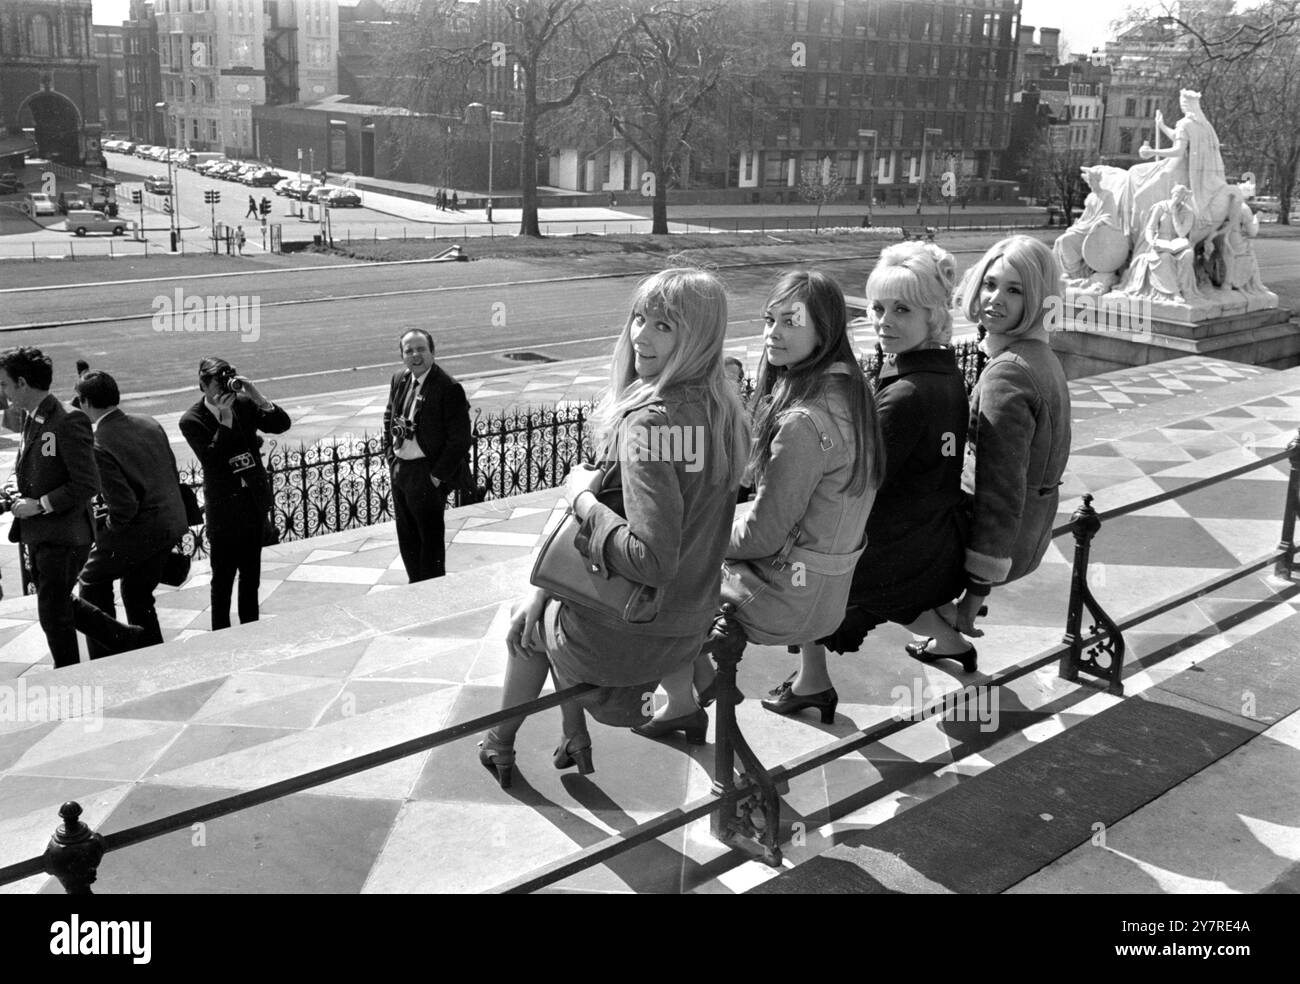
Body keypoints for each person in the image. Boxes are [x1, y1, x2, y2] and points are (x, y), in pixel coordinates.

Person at [479, 268, 749, 786]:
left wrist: (579, 497)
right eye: (638, 319)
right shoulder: (722, 411)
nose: (640, 336)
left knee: (528, 626)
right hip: (686, 634)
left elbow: (652, 557)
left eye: (664, 326)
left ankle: (503, 742)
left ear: (696, 337)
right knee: (541, 605)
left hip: (629, 641)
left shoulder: (649, 420)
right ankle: (568, 737)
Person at [636, 270, 883, 737]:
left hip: (786, 599)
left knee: (667, 576)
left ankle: (688, 700)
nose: (773, 333)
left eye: (791, 322)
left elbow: (763, 537)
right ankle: (798, 681)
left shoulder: (802, 423)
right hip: (829, 590)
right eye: (770, 320)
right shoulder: (852, 395)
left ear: (825, 331)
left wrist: (697, 535)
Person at [808, 243, 973, 682]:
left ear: (932, 316)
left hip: (894, 548)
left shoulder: (905, 394)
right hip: (930, 538)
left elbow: (855, 480)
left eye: (902, 309)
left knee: (802, 560)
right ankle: (951, 642)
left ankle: (811, 682)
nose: (884, 321)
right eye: (878, 308)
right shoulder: (943, 375)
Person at [945, 235, 1071, 646]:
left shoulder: (1008, 372)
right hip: (1031, 531)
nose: (994, 299)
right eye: (990, 284)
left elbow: (1000, 485)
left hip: (994, 540)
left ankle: (947, 634)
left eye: (1014, 290)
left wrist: (975, 589)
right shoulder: (1042, 358)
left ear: (1036, 300)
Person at [0, 347, 141, 668]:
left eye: (5, 384)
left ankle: (67, 676)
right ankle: (124, 637)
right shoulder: (31, 419)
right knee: (58, 603)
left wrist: (40, 505)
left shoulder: (68, 419)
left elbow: (87, 483)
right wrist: (14, 489)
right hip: (42, 534)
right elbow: (29, 467)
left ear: (22, 383)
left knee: (52, 615)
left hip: (64, 536)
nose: (3, 392)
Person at [74, 371, 189, 659]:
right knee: (137, 593)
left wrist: (107, 534)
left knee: (90, 582)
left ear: (86, 402)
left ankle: (109, 655)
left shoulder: (97, 443)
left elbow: (123, 507)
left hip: (140, 530)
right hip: (171, 521)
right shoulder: (149, 422)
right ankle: (150, 652)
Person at [179, 358, 291, 630]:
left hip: (252, 502)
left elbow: (281, 424)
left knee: (251, 576)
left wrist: (256, 395)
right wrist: (226, 420)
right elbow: (212, 460)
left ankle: (250, 629)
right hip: (224, 509)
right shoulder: (192, 420)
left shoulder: (243, 403)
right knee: (223, 579)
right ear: (203, 385)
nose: (223, 392)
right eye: (217, 385)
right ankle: (221, 633)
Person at [382, 329, 472, 583]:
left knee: (429, 543)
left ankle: (431, 595)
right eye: (408, 350)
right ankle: (415, 587)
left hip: (426, 473)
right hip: (401, 470)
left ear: (433, 351)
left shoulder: (448, 387)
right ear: (402, 355)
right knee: (407, 538)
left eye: (421, 349)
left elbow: (460, 439)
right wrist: (391, 458)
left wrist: (435, 477)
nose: (415, 355)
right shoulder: (399, 378)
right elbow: (389, 417)